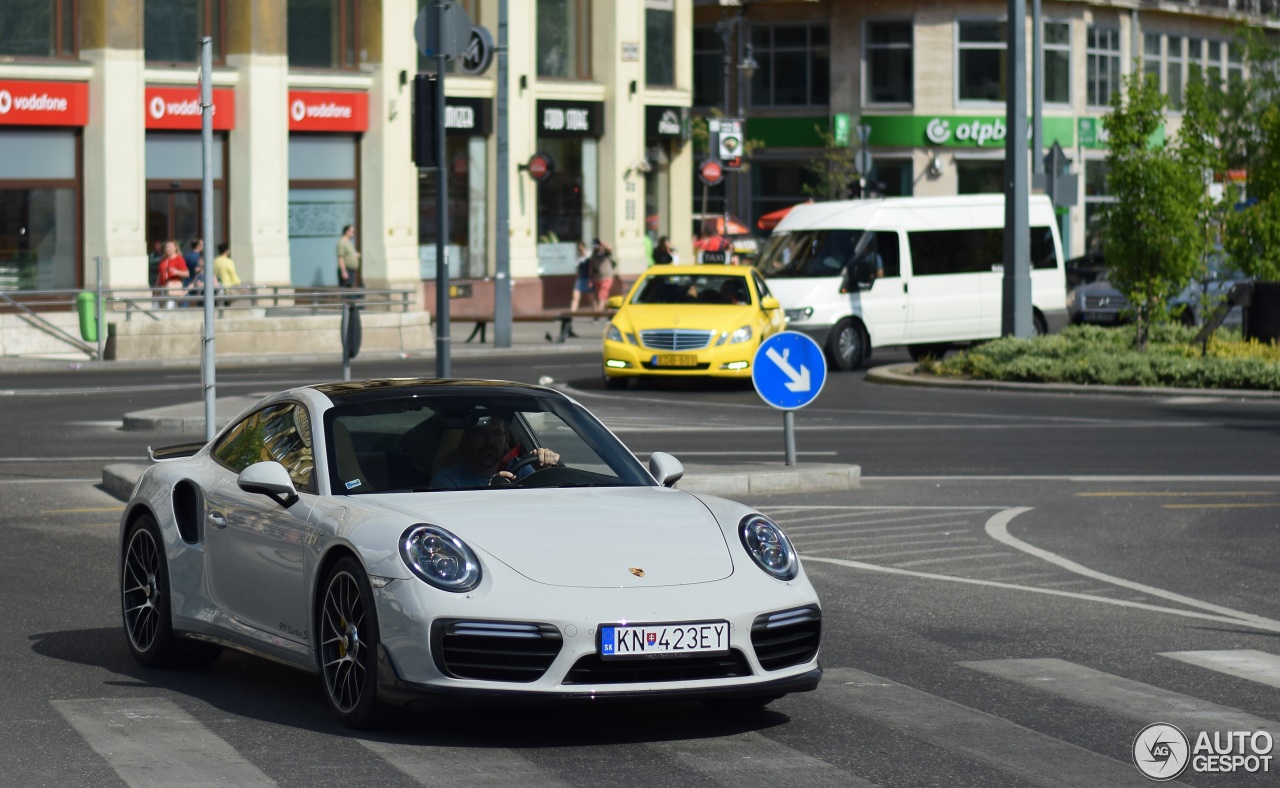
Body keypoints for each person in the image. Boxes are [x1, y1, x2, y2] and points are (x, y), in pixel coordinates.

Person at [429, 413, 560, 489]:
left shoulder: (521, 469)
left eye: (496, 434)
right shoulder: (448, 480)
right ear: (469, 437)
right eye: (481, 433)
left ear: (506, 438)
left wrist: (545, 470)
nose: (489, 441)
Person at [154, 240, 188, 309]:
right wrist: (156, 288)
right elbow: (160, 274)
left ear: (175, 248)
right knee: (157, 306)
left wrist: (177, 272)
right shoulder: (164, 259)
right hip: (163, 287)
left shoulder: (179, 259)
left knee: (170, 306)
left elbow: (186, 273)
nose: (167, 249)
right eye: (166, 247)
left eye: (170, 247)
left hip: (173, 287)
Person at [569, 240, 594, 314]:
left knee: (591, 298)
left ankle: (596, 314)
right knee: (575, 297)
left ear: (584, 247)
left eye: (581, 248)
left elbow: (592, 266)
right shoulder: (579, 258)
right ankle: (572, 314)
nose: (580, 250)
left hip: (588, 278)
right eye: (579, 249)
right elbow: (577, 268)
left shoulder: (589, 255)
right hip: (580, 279)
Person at [591, 238, 615, 308]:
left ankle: (598, 315)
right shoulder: (594, 254)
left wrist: (602, 243)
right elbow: (592, 265)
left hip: (607, 278)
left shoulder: (606, 252)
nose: (596, 247)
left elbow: (610, 248)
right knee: (604, 297)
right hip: (597, 278)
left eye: (597, 245)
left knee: (601, 296)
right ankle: (610, 312)